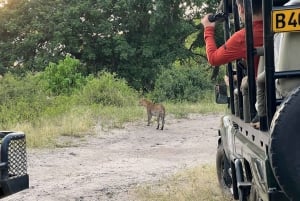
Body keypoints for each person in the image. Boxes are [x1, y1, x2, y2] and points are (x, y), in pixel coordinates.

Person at [201, 0, 263, 127]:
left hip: (265, 98)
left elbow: (213, 58)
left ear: (241, 9)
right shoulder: (284, 29)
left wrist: (208, 28)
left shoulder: (244, 37)